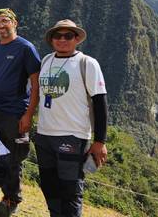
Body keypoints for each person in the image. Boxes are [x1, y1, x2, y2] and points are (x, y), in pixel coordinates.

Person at [36, 20, 108, 217]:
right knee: (49, 187)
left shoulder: (87, 64)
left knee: (70, 190)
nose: (62, 40)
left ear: (77, 38)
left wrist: (100, 141)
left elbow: (100, 103)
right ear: (51, 39)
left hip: (72, 135)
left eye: (68, 36)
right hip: (44, 134)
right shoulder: (46, 60)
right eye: (57, 36)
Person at [0, 8, 41, 216]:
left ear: (15, 23)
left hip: (15, 113)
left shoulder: (25, 48)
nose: (1, 25)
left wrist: (28, 114)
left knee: (13, 158)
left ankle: (12, 199)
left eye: (5, 20)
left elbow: (35, 83)